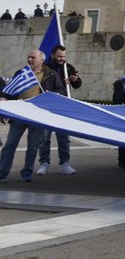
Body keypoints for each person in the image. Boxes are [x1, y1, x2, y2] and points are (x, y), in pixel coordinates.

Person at [0, 50, 61, 182]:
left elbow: (61, 90)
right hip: (19, 114)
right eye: (28, 57)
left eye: (33, 57)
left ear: (41, 60)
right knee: (10, 144)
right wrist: (4, 100)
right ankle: (2, 172)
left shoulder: (51, 74)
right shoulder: (21, 73)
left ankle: (27, 172)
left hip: (37, 115)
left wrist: (51, 94)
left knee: (33, 146)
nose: (29, 60)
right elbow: (10, 90)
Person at [36, 45, 82, 176]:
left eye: (63, 56)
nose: (62, 59)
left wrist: (76, 80)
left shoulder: (68, 67)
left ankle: (64, 163)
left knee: (63, 138)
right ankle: (44, 163)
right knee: (44, 138)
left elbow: (77, 85)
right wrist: (62, 81)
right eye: (59, 56)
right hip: (47, 107)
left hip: (63, 106)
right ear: (53, 55)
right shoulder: (45, 67)